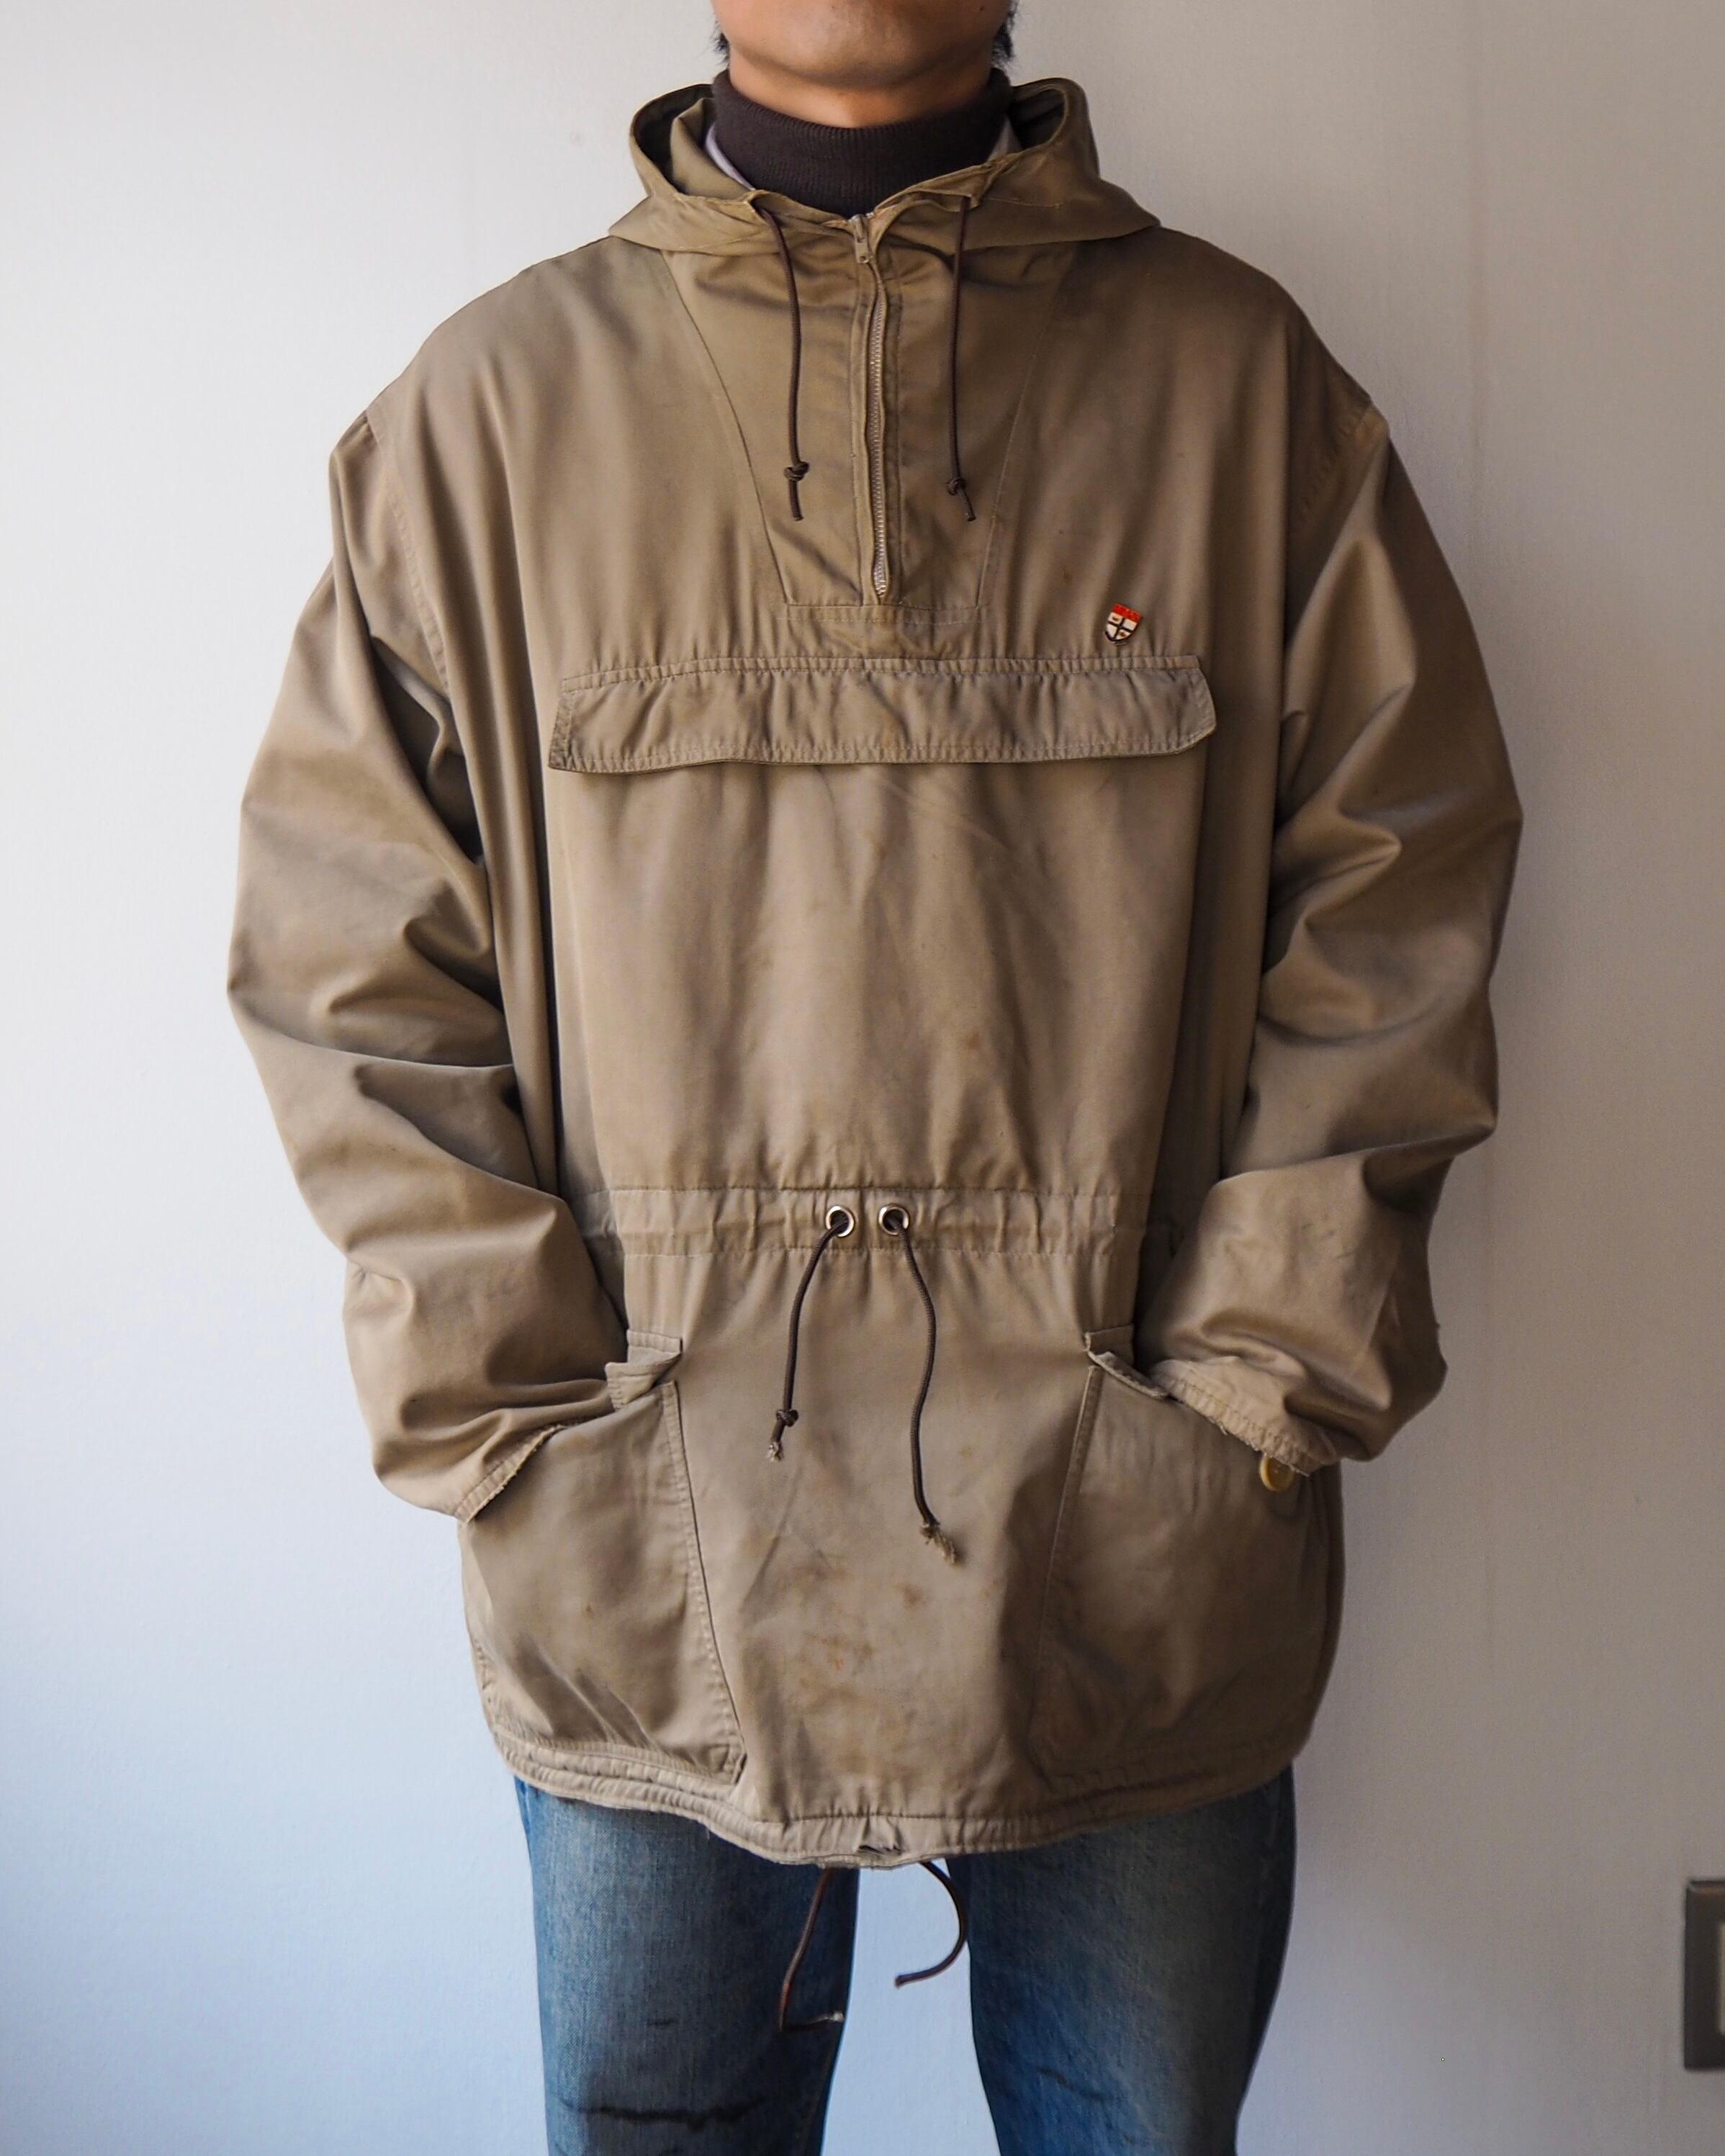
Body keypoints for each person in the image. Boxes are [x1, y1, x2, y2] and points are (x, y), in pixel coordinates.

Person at [228, 1, 1521, 2148]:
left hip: (1142, 1555)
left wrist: (1254, 1389)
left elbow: (1398, 890)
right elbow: (347, 966)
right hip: (646, 1562)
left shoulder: (1240, 385)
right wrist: (514, 1415)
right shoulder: (487, 416)